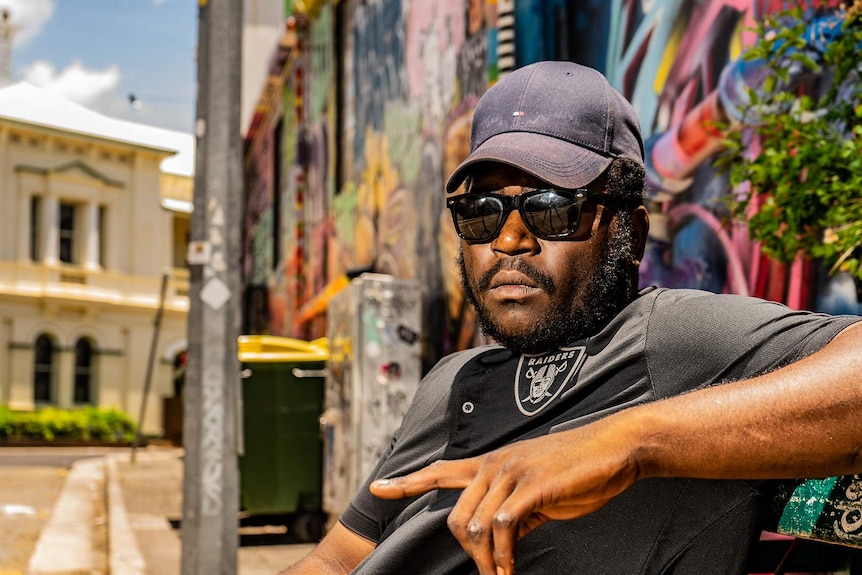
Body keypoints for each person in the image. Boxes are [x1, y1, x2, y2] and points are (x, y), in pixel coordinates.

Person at [281, 61, 862, 575]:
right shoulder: (451, 379)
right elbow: (336, 560)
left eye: (552, 208)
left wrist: (623, 444)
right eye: (480, 212)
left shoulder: (669, 340)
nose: (509, 240)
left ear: (629, 233)